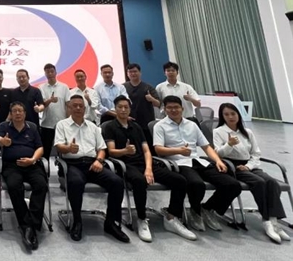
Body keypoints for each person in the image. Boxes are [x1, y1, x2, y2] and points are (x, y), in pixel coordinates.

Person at [103, 96, 197, 242]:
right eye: (120, 107)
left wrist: (148, 168)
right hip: (125, 164)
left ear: (130, 109)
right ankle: (142, 219)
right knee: (140, 181)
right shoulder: (109, 126)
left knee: (179, 180)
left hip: (145, 163)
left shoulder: (137, 127)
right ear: (115, 109)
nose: (123, 110)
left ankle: (172, 217)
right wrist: (125, 151)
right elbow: (111, 152)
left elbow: (147, 151)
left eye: (126, 107)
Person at [153, 96, 242, 232]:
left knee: (232, 185)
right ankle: (195, 211)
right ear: (164, 109)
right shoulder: (160, 126)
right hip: (178, 163)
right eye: (169, 108)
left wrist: (218, 161)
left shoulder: (192, 125)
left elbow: (206, 147)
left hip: (198, 161)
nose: (173, 110)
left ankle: (208, 208)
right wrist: (178, 151)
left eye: (176, 107)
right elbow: (158, 149)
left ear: (182, 108)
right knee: (196, 184)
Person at [54, 95, 129, 243]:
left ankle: (111, 223)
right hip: (72, 164)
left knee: (117, 182)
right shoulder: (62, 125)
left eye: (80, 106)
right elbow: (59, 147)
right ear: (69, 108)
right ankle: (77, 221)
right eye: (74, 105)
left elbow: (102, 148)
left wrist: (99, 160)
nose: (78, 108)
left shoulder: (93, 127)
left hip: (93, 163)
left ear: (85, 108)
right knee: (76, 182)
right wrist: (68, 148)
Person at [213, 103, 289, 243]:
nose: (230, 117)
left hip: (249, 165)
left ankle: (274, 220)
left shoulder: (247, 132)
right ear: (222, 116)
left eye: (233, 113)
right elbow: (218, 154)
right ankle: (267, 221)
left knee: (271, 182)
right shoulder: (218, 131)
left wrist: (248, 166)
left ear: (238, 115)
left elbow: (256, 153)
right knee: (259, 182)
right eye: (226, 114)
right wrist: (229, 145)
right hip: (232, 166)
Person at [0, 101, 47, 251]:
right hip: (12, 166)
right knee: (14, 186)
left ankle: (30, 224)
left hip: (32, 164)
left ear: (25, 114)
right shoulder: (4, 126)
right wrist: (3, 142)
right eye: (15, 111)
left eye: (20, 111)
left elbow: (40, 147)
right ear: (11, 114)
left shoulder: (32, 127)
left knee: (41, 185)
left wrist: (32, 159)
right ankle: (27, 225)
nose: (18, 113)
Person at [122, 63, 161, 148]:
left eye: (135, 71)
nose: (133, 74)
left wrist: (151, 99)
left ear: (140, 73)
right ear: (127, 74)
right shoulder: (123, 87)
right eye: (130, 72)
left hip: (146, 122)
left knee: (148, 145)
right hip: (129, 121)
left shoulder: (148, 87)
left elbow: (158, 103)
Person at [39, 63, 71, 161]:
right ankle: (45, 169)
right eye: (47, 72)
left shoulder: (64, 87)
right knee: (46, 150)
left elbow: (68, 104)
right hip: (46, 124)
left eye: (52, 71)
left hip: (62, 123)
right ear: (45, 74)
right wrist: (50, 100)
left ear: (56, 72)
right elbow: (42, 105)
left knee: (63, 150)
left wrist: (68, 121)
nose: (50, 74)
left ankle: (62, 169)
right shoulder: (41, 87)